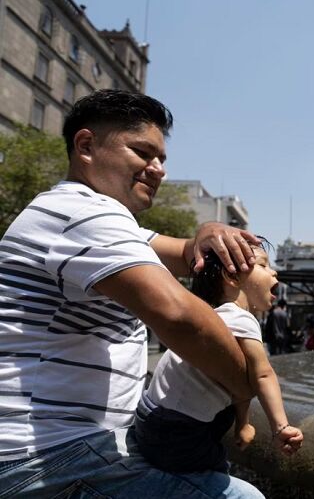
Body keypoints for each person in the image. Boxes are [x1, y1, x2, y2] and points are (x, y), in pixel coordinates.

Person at [0, 90, 264, 497]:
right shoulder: (84, 213)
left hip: (71, 449)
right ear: (86, 145)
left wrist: (207, 232)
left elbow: (183, 253)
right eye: (143, 152)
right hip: (47, 457)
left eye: (162, 159)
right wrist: (244, 385)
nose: (157, 169)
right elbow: (182, 318)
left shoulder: (87, 217)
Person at [135, 244, 303, 473]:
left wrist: (243, 424)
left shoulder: (217, 317)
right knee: (214, 472)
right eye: (263, 265)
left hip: (151, 416)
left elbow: (240, 382)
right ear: (232, 277)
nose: (274, 272)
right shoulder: (241, 318)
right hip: (175, 429)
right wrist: (280, 427)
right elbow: (263, 374)